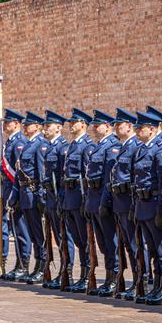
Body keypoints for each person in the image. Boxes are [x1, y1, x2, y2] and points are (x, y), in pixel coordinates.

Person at [133, 110, 162, 304]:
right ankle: (155, 285)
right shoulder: (141, 148)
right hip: (143, 204)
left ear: (153, 128)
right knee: (151, 249)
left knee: (161, 249)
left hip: (155, 204)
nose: (137, 130)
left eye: (141, 127)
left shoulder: (161, 148)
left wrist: (161, 211)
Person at [108, 108, 146, 300]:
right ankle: (137, 279)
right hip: (120, 203)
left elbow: (134, 178)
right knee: (129, 246)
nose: (115, 128)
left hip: (129, 203)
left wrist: (132, 205)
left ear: (128, 126)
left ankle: (143, 280)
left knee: (136, 244)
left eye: (118, 125)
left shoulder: (134, 147)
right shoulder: (123, 146)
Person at [10, 111, 48, 284]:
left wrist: (41, 197)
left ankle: (43, 265)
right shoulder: (27, 145)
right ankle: (37, 265)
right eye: (24, 125)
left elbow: (41, 172)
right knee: (33, 234)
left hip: (34, 193)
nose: (26, 127)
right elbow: (19, 173)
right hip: (25, 194)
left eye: (29, 125)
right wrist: (15, 196)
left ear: (37, 126)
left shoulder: (40, 144)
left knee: (39, 234)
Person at [86, 109, 121, 296]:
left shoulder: (112, 147)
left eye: (97, 125)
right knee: (101, 242)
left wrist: (105, 202)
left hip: (103, 201)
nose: (93, 128)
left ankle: (114, 276)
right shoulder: (97, 146)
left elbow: (109, 178)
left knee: (110, 241)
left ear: (107, 127)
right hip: (93, 200)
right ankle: (108, 276)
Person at [61, 108, 95, 293]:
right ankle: (82, 274)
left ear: (83, 124)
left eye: (74, 122)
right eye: (70, 123)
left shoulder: (86, 146)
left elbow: (87, 177)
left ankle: (88, 274)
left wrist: (85, 201)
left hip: (79, 199)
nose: (71, 125)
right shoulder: (72, 146)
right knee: (78, 241)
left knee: (85, 239)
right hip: (69, 199)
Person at [41, 109, 74, 289]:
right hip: (50, 197)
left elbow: (63, 177)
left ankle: (66, 271)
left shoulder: (63, 148)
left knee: (64, 236)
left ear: (59, 128)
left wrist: (62, 199)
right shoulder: (50, 147)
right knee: (56, 235)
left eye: (48, 126)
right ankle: (61, 270)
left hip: (59, 197)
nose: (45, 129)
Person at [0, 109, 32, 282]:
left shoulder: (19, 142)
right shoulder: (10, 142)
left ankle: (24, 265)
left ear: (17, 124)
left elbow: (19, 171)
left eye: (8, 122)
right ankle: (19, 263)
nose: (6, 125)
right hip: (9, 189)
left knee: (21, 230)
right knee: (15, 228)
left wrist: (14, 195)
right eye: (5, 123)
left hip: (16, 192)